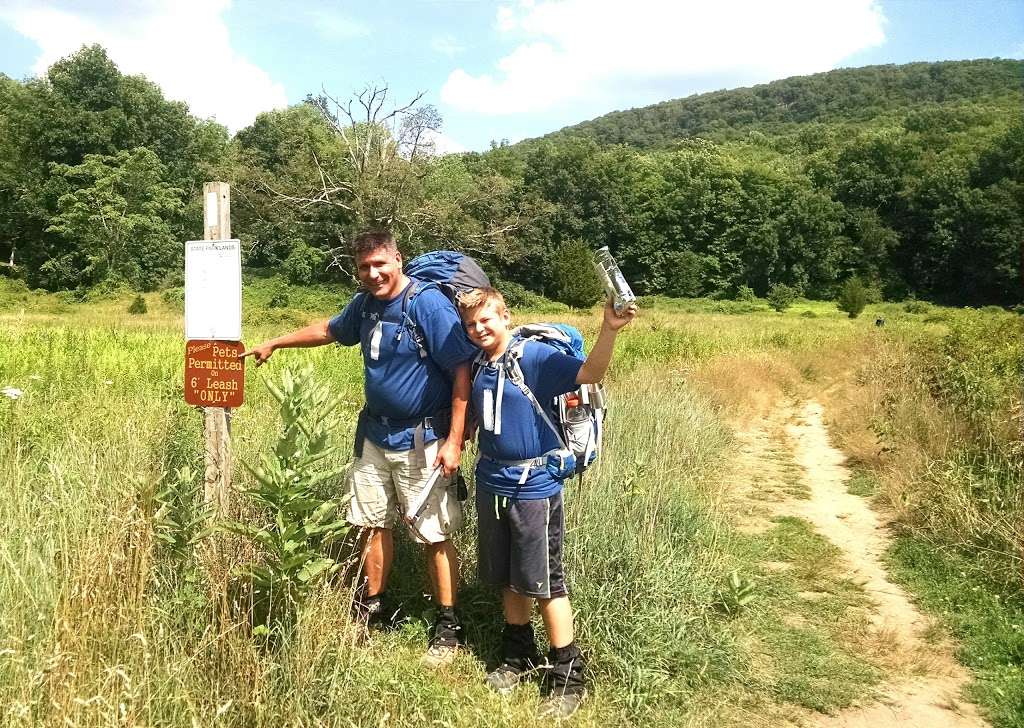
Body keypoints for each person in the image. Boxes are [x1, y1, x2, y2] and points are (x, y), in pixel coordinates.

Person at [241, 231, 476, 667]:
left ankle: (448, 624)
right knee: (372, 524)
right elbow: (329, 330)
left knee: (434, 534)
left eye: (380, 265)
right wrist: (275, 342)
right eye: (365, 267)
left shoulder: (426, 304)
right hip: (373, 435)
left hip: (423, 439)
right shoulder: (365, 304)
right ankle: (374, 609)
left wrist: (454, 441)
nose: (373, 274)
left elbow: (461, 373)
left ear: (398, 261)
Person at [457, 287, 637, 719]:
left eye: (486, 319)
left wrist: (609, 330)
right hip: (491, 481)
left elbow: (590, 374)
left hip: (535, 487)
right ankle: (517, 655)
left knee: (546, 583)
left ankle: (568, 674)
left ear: (505, 316)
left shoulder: (533, 357)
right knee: (506, 576)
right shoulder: (481, 364)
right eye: (471, 324)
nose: (479, 328)